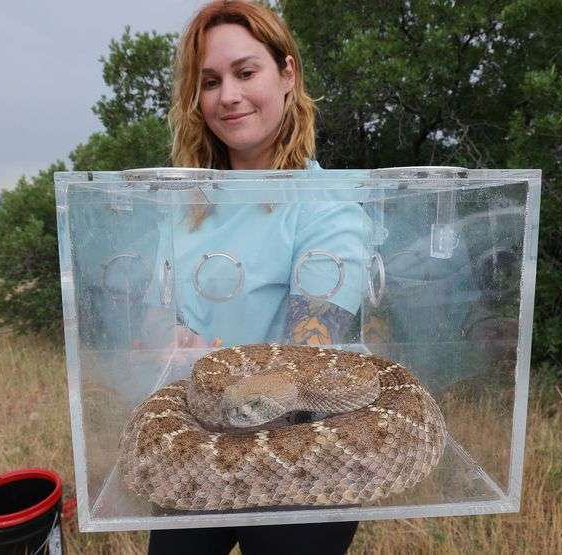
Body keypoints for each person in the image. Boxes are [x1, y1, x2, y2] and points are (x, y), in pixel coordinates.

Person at [146, 1, 366, 554]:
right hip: (196, 454)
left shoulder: (328, 211)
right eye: (211, 81)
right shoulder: (186, 207)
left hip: (300, 467)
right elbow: (156, 317)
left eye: (246, 73)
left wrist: (204, 358)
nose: (229, 96)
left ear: (287, 74)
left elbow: (306, 368)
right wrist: (159, 339)